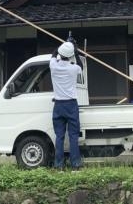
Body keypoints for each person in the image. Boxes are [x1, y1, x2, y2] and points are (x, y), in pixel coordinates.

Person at [49, 40, 83, 170]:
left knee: (59, 136)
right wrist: (75, 49)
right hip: (71, 105)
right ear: (70, 55)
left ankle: (59, 165)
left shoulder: (53, 66)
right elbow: (81, 66)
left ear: (60, 53)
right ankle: (75, 165)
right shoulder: (74, 68)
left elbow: (53, 54)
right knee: (73, 136)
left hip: (58, 105)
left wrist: (64, 44)